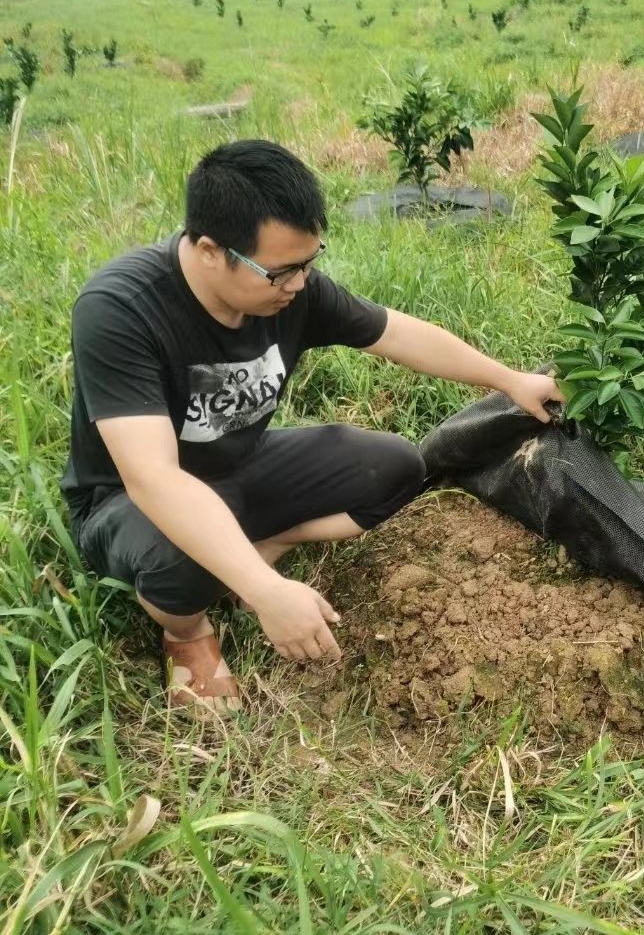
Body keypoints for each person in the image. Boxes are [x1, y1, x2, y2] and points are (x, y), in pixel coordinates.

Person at [61, 139, 564, 713]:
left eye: (308, 264)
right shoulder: (122, 308)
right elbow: (153, 480)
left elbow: (396, 334)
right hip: (129, 500)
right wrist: (267, 592)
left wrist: (510, 380)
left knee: (396, 466)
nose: (298, 285)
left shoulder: (291, 290)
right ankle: (187, 631)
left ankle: (257, 545)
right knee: (185, 552)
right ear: (208, 250)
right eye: (279, 272)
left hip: (239, 465)